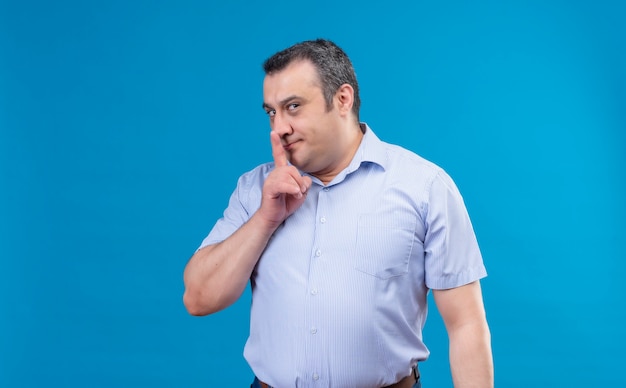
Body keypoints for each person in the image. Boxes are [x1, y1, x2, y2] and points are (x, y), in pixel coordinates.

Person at [183, 38, 493, 388]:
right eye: (271, 111)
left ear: (342, 99)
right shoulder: (255, 189)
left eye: (293, 106)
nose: (278, 127)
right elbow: (198, 298)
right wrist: (265, 219)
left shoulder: (425, 187)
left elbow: (466, 325)